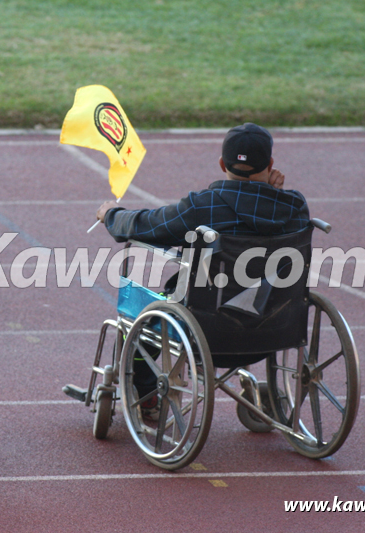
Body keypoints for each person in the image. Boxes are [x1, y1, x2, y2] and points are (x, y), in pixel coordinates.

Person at [95, 123, 310, 416]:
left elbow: (147, 226)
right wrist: (275, 194)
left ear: (222, 163)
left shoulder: (202, 207)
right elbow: (265, 215)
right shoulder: (295, 206)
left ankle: (145, 394)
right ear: (270, 164)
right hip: (274, 328)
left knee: (139, 320)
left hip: (203, 331)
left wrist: (111, 215)